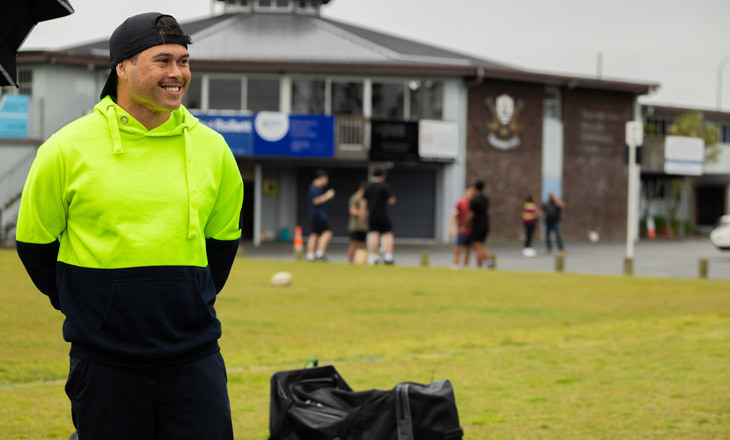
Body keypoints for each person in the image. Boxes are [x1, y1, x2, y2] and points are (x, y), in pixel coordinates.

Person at [15, 13, 243, 440]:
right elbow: (34, 243)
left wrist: (190, 298)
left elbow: (223, 244)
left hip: (194, 356)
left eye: (184, 61)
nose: (177, 73)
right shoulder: (66, 148)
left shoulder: (214, 148)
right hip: (104, 361)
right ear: (122, 67)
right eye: (162, 60)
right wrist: (88, 305)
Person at [362, 167, 396, 265]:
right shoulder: (384, 186)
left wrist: (362, 217)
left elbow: (363, 203)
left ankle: (375, 257)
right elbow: (392, 200)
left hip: (372, 215)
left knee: (374, 235)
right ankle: (388, 257)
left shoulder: (368, 186)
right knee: (388, 234)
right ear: (383, 175)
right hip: (383, 214)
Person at [306, 169, 335, 261]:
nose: (327, 181)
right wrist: (327, 196)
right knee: (327, 232)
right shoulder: (315, 187)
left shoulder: (314, 187)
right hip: (318, 215)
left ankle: (310, 255)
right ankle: (320, 253)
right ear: (322, 178)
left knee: (315, 234)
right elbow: (316, 201)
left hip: (315, 215)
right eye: (326, 178)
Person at [466, 180, 494, 268]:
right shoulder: (485, 199)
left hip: (477, 225)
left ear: (475, 188)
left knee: (478, 246)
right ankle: (479, 265)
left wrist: (465, 225)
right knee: (480, 244)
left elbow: (470, 215)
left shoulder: (474, 201)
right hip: (485, 224)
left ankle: (489, 261)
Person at [449, 185, 475, 269]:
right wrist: (451, 228)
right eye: (468, 192)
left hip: (471, 230)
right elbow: (454, 215)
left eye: (471, 193)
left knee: (468, 249)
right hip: (461, 230)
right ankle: (455, 265)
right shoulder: (460, 203)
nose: (469, 195)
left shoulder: (474, 204)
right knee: (458, 248)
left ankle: (466, 267)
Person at [347, 181, 368, 263]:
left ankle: (360, 261)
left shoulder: (365, 198)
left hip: (363, 226)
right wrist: (362, 213)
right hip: (355, 225)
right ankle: (350, 260)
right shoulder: (355, 197)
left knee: (362, 244)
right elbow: (352, 211)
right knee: (354, 243)